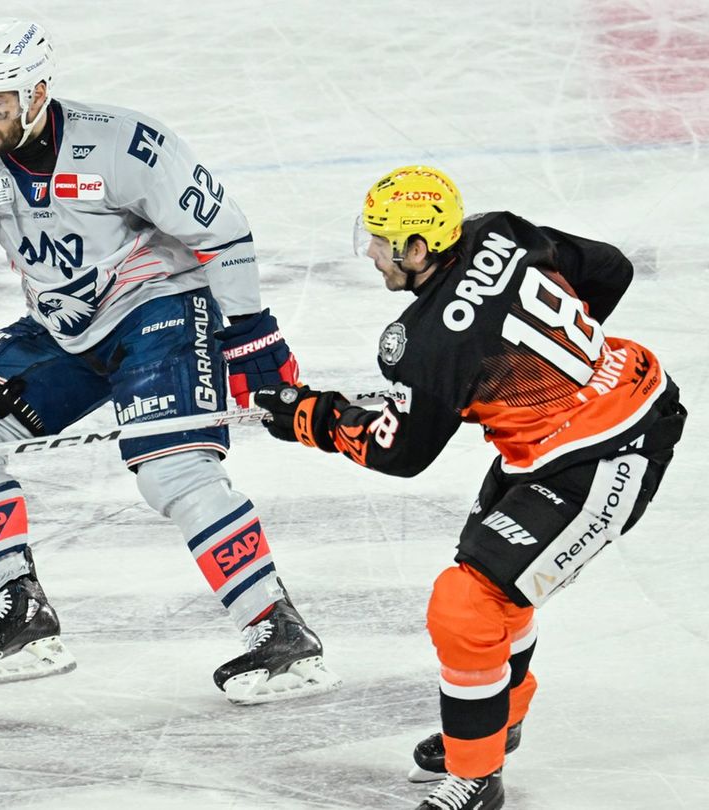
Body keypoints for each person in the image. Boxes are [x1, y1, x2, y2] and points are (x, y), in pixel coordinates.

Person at [0, 19, 341, 703]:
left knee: (172, 467)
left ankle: (277, 628)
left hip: (160, 306)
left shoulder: (122, 145)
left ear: (37, 94)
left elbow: (221, 231)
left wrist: (250, 333)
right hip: (65, 326)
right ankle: (20, 612)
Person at [252, 165, 687, 809]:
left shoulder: (422, 344)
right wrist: (554, 364)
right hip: (577, 421)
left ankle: (477, 778)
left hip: (609, 452)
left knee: (467, 604)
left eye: (380, 241)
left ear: (417, 248)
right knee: (495, 589)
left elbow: (401, 453)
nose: (370, 253)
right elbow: (609, 270)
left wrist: (313, 418)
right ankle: (497, 719)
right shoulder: (503, 231)